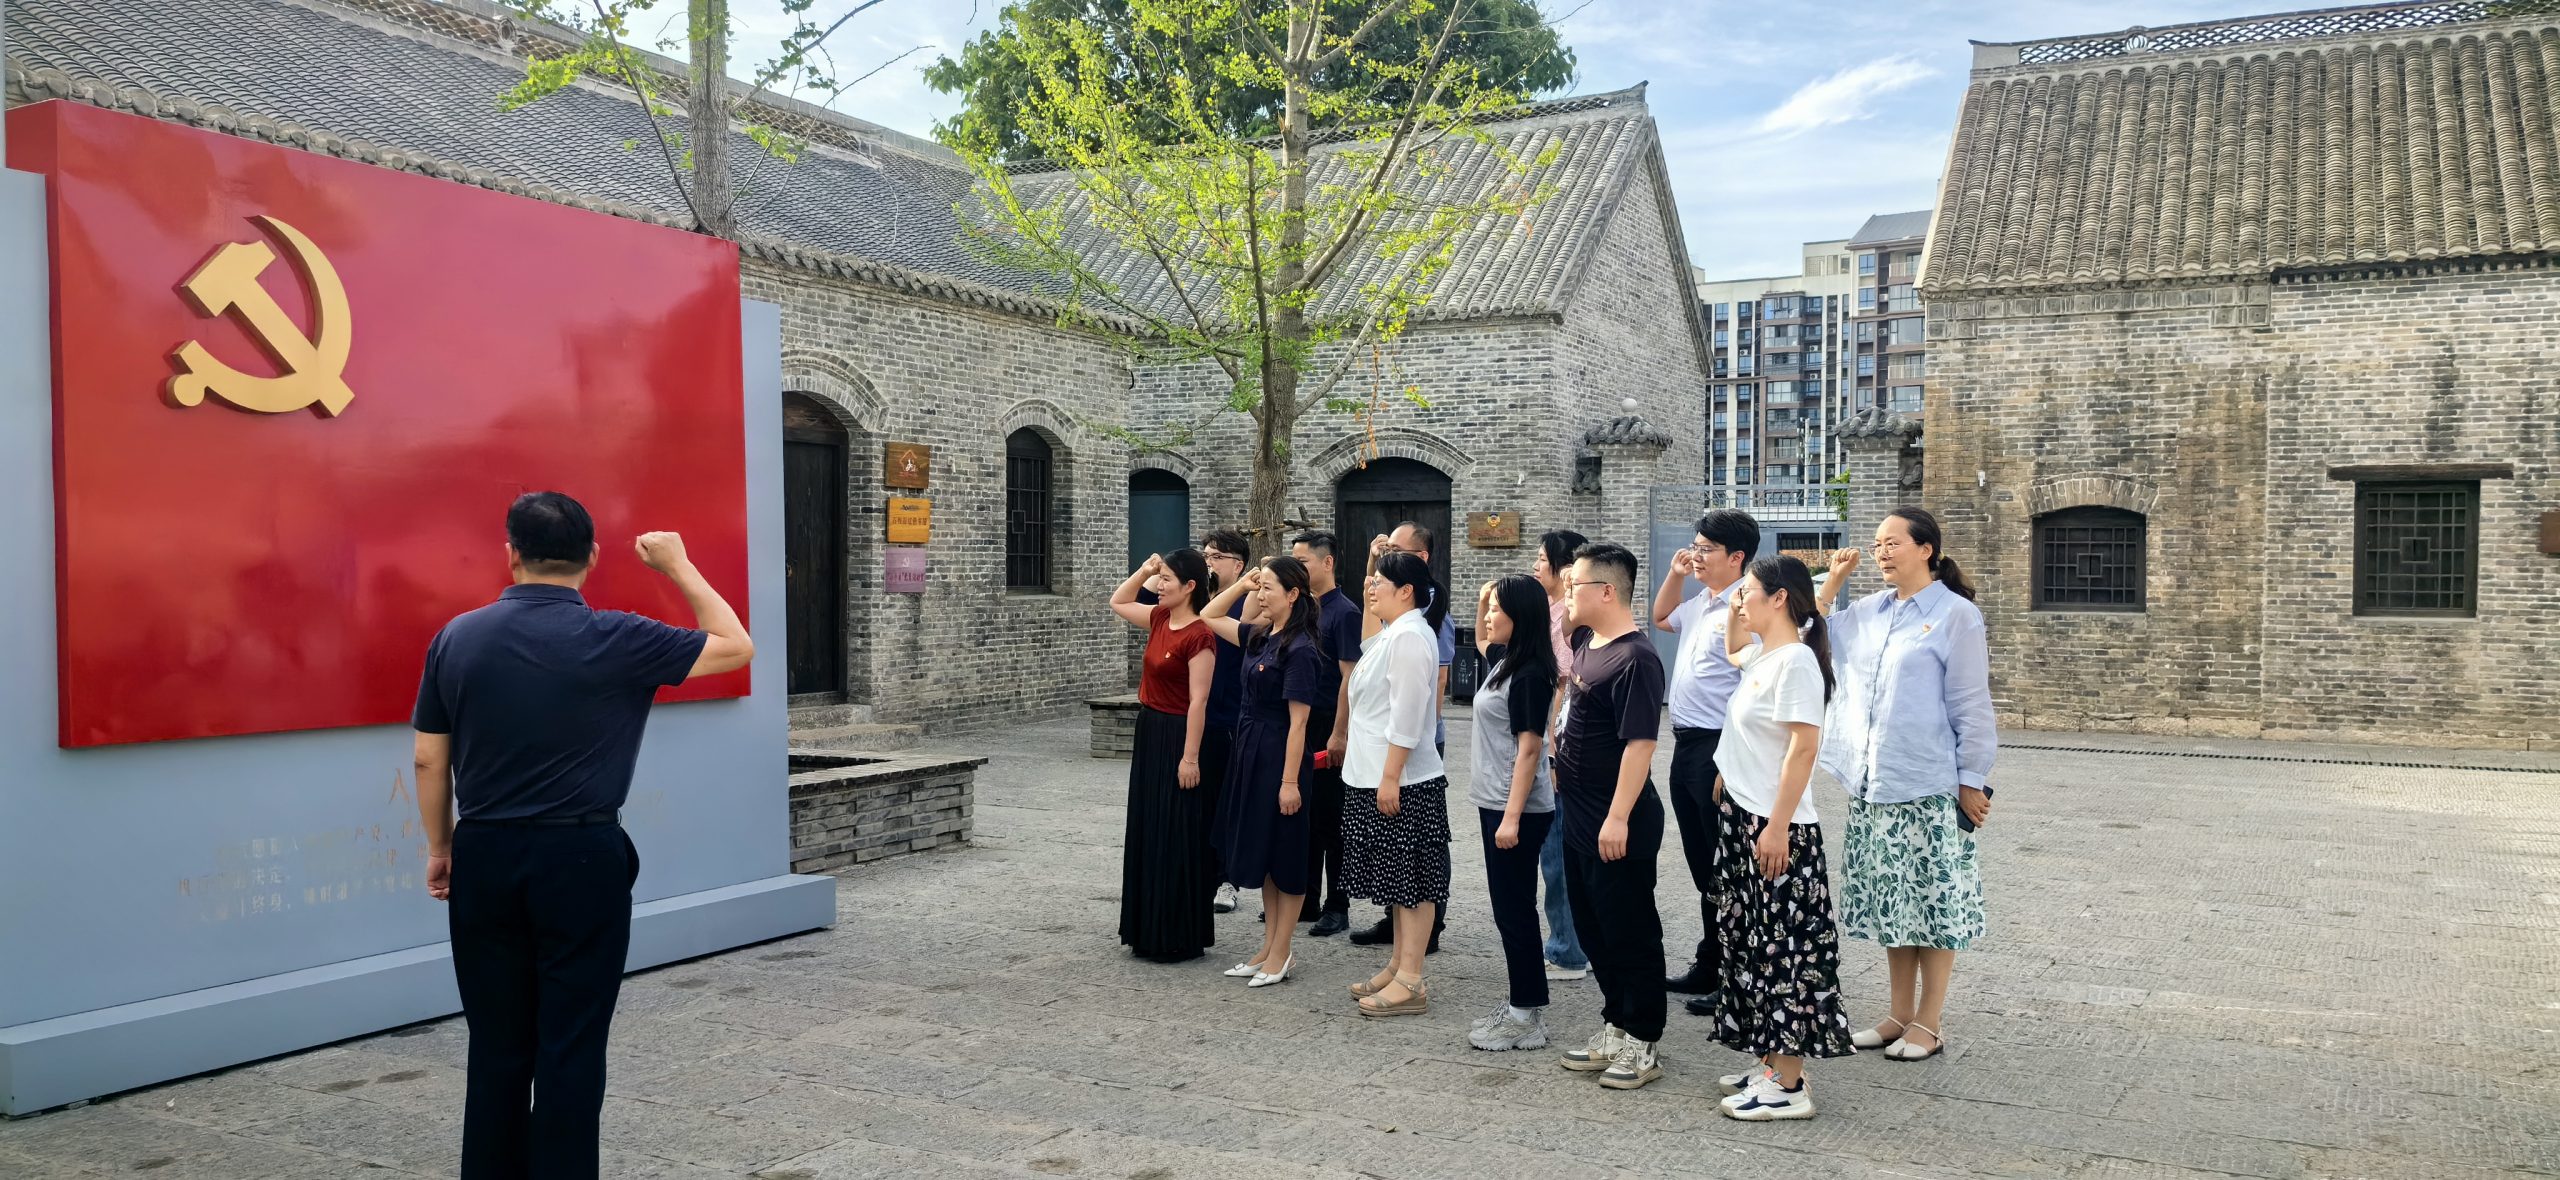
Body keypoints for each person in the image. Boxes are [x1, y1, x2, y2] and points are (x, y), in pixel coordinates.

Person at [411, 492, 753, 1179]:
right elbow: (736, 647)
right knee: (571, 1043)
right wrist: (678, 566)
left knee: (497, 1044)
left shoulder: (457, 637)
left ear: (510, 555)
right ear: (592, 556)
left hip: (485, 852)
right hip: (583, 856)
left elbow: (428, 758)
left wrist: (442, 847)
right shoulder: (620, 638)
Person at [1815, 507, 1997, 1062]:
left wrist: (1973, 780)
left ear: (1926, 549)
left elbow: (1971, 703)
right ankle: (1897, 1014)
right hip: (1875, 782)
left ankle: (1929, 1022)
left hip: (1929, 782)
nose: (1882, 552)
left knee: (1933, 905)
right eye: (1877, 544)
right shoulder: (1869, 611)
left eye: (1893, 542)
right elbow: (1805, 634)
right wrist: (1834, 582)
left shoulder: (1956, 615)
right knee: (1896, 903)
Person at [1708, 556, 1854, 1121]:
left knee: (1784, 950)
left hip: (1775, 825)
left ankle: (1789, 1083)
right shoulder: (1766, 656)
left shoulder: (1795, 662)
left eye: (1748, 592)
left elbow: (1803, 747)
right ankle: (1771, 1063)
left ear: (1779, 599)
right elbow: (1732, 648)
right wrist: (1729, 771)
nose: (1739, 600)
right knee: (1751, 943)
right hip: (1745, 815)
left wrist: (1777, 824)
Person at [1551, 541, 1670, 1091]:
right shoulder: (1585, 640)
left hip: (1617, 818)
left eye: (1573, 585)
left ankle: (1643, 1038)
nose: (1566, 593)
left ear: (1605, 591)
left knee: (1629, 929)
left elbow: (1640, 745)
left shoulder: (1636, 659)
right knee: (1594, 927)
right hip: (1578, 813)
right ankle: (1616, 1022)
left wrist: (1618, 816)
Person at [1648, 510, 1760, 1015]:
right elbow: (1660, 618)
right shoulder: (1701, 603)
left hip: (1719, 748)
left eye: (1705, 549)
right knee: (1702, 863)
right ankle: (1710, 962)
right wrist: (1675, 574)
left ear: (1736, 557)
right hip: (1687, 745)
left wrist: (1728, 762)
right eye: (1694, 546)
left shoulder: (1746, 608)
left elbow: (1753, 689)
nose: (1695, 555)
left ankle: (1737, 977)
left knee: (1725, 863)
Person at [1203, 558, 1326, 987]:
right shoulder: (1260, 635)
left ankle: (1282, 951)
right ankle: (1269, 946)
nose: (1261, 594)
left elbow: (1299, 723)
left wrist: (1289, 782)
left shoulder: (1301, 649)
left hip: (1279, 756)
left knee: (1286, 856)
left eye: (1268, 588)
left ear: (1292, 595)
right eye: (1260, 587)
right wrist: (1242, 585)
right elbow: (1209, 615)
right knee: (1266, 855)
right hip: (1250, 750)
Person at [1339, 550, 1451, 1017]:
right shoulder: (1393, 632)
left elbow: (1407, 715)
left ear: (1406, 591)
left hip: (1403, 779)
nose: (1371, 588)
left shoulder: (1410, 637)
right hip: (1376, 775)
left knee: (1414, 880)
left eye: (1379, 582)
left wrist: (1390, 778)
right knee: (1399, 881)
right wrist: (1371, 568)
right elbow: (1367, 640)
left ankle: (1412, 979)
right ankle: (1398, 966)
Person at [1464, 574, 1562, 1051]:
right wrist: (1488, 593)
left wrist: (1511, 817)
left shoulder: (1529, 674)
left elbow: (1530, 750)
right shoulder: (1507, 661)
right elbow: (1483, 639)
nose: (1487, 617)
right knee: (1508, 908)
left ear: (1519, 617)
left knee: (1514, 909)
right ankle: (1524, 1004)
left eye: (1497, 610)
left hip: (1515, 808)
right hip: (1497, 802)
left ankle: (1525, 1014)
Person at [1108, 550, 1220, 963]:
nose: (1160, 586)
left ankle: (1176, 934)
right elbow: (1119, 601)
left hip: (1178, 735)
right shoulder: (1158, 619)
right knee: (1149, 827)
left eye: (1168, 579)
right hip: (1150, 731)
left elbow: (1199, 701)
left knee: (1175, 832)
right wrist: (1146, 570)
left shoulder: (1200, 635)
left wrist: (1190, 758)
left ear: (1190, 586)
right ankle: (1145, 930)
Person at [1295, 530, 1365, 939]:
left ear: (1327, 563)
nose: (1297, 567)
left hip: (1329, 723)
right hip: (1300, 722)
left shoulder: (1345, 612)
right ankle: (1304, 899)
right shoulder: (1301, 608)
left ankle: (1337, 906)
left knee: (1332, 820)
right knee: (1303, 814)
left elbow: (1349, 678)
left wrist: (1339, 733)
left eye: (1303, 561)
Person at [1529, 528, 1591, 983]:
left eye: (1541, 558)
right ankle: (1570, 941)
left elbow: (1563, 685)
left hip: (1560, 748)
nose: (1535, 565)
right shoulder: (1549, 611)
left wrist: (1550, 747)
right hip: (1551, 743)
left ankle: (1568, 949)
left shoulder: (1569, 619)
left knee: (1559, 853)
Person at [1198, 529, 1253, 915]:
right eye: (1205, 556)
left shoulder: (1248, 601)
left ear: (1238, 565)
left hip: (1231, 713)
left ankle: (1227, 879)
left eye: (1216, 557)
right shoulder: (1194, 595)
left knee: (1226, 802)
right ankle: (1199, 874)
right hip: (1195, 715)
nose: (1209, 563)